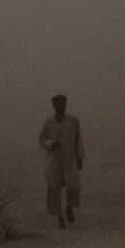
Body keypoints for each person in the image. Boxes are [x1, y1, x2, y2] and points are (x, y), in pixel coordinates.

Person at [38, 94, 83, 227]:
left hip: (69, 159)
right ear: (53, 105)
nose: (60, 106)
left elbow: (78, 140)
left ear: (65, 104)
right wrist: (51, 144)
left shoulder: (73, 121)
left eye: (62, 104)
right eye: (57, 104)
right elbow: (41, 140)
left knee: (74, 185)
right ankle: (59, 217)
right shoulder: (48, 123)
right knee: (54, 188)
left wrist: (80, 157)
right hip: (54, 160)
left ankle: (69, 207)